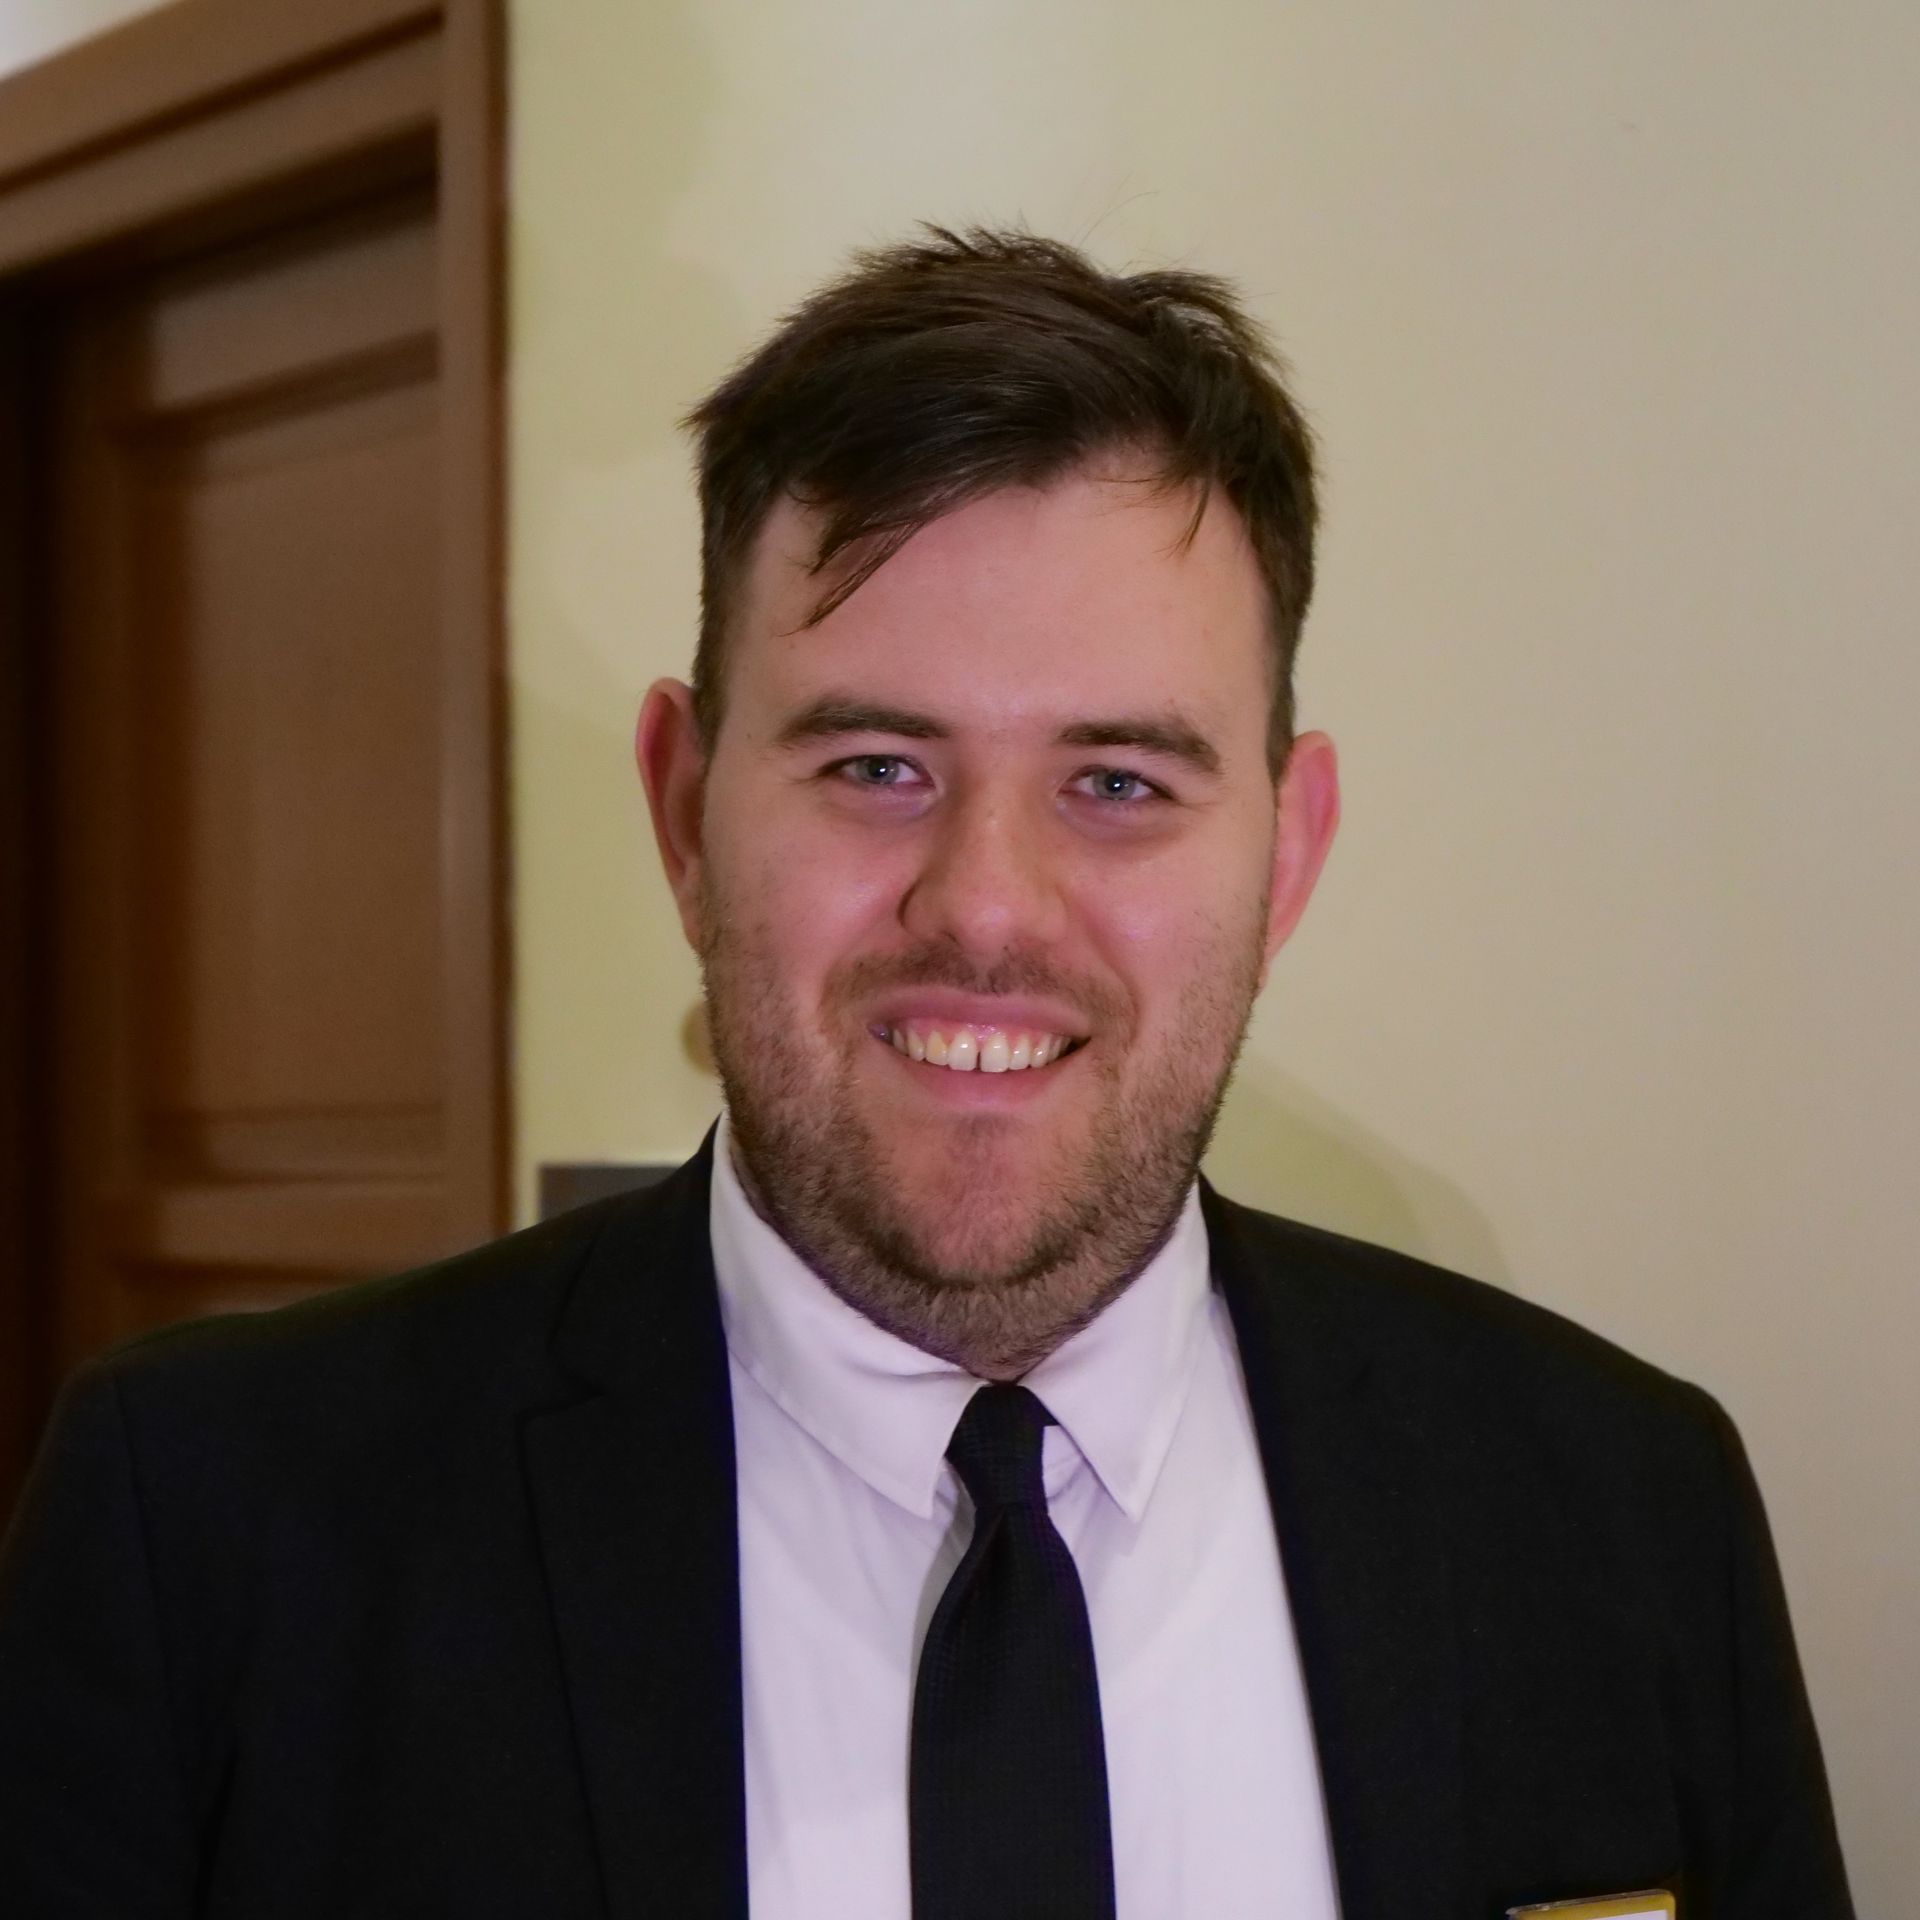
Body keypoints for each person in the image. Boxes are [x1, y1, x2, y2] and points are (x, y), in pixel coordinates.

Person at [0, 227, 1852, 1919]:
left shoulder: (1620, 1507)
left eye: (1119, 783)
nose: (985, 907)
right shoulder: (216, 1530)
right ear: (682, 809)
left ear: (1286, 854)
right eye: (875, 765)